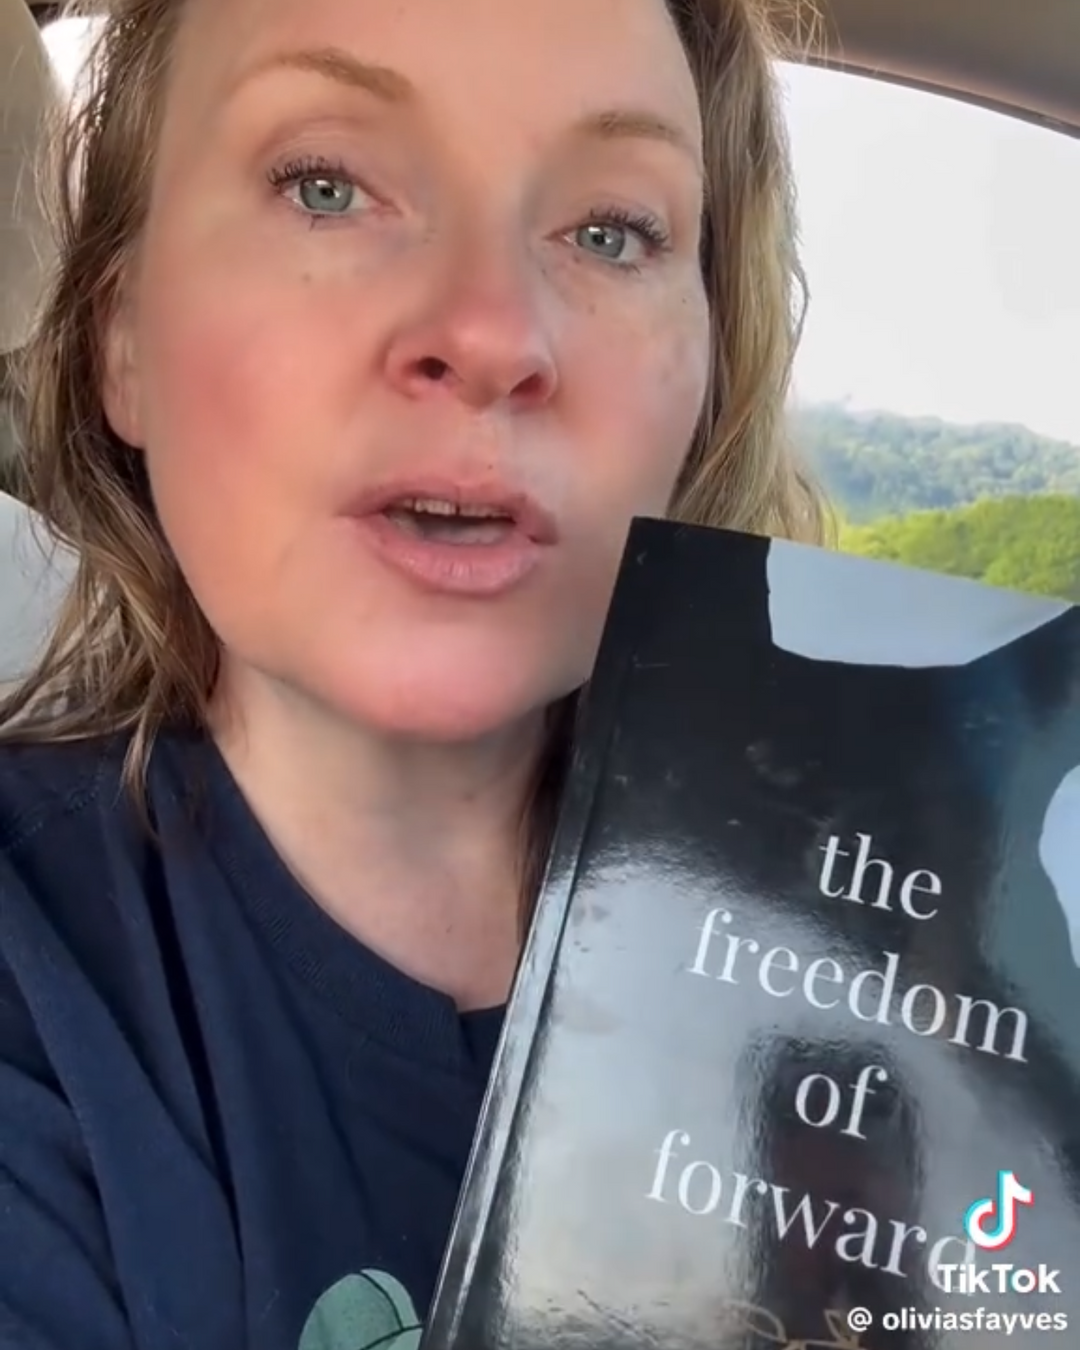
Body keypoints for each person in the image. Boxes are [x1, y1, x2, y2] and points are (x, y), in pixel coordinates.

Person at [0, 0, 829, 1345]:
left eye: (612, 230)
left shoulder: (909, 954)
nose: (494, 332)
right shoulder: (35, 987)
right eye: (326, 186)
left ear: (710, 375)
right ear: (122, 341)